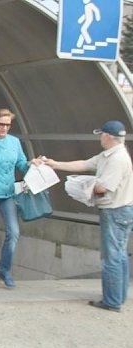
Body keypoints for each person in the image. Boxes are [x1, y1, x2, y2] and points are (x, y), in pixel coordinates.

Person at [44, 120, 133, 312]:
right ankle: (119, 295)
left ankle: (112, 301)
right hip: (122, 210)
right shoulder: (108, 155)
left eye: (101, 134)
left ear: (108, 136)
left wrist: (82, 187)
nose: (100, 137)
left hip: (115, 211)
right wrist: (55, 164)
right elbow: (84, 164)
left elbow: (103, 188)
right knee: (120, 255)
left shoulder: (117, 160)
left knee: (111, 258)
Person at [0, 108, 42, 288]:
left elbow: (20, 163)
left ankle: (4, 270)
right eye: (1, 124)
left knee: (14, 233)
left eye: (7, 125)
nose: (4, 128)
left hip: (8, 193)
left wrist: (32, 164)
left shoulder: (14, 142)